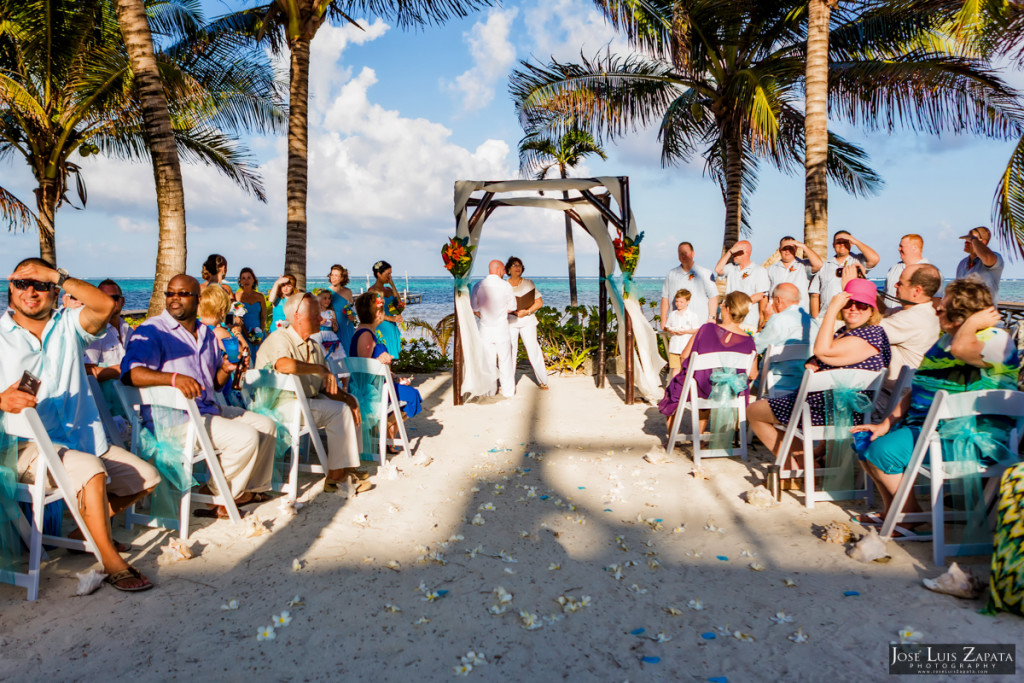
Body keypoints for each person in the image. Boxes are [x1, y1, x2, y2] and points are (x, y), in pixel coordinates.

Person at [1, 257, 160, 591]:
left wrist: (57, 275)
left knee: (146, 477)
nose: (32, 291)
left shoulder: (68, 324)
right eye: (22, 283)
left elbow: (104, 304)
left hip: (79, 440)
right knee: (90, 468)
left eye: (41, 285)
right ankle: (109, 559)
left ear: (54, 291)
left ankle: (85, 526)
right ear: (10, 287)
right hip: (24, 446)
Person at [853, 279, 1019, 524]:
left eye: (943, 304)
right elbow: (919, 389)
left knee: (880, 452)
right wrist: (886, 423)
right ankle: (900, 512)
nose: (936, 307)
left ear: (961, 312)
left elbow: (963, 350)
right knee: (864, 440)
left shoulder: (995, 340)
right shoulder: (944, 342)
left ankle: (907, 516)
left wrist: (972, 321)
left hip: (970, 439)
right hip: (929, 431)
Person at [122, 274, 276, 518]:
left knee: (266, 426)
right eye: (170, 293)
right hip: (173, 421)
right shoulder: (152, 330)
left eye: (182, 294)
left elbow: (214, 384)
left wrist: (225, 369)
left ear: (198, 299)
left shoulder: (206, 333)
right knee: (245, 437)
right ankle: (219, 498)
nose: (175, 298)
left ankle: (246, 490)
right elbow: (131, 373)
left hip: (206, 408)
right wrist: (173, 379)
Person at [748, 279, 891, 467]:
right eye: (849, 303)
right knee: (769, 408)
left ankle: (801, 465)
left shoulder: (872, 334)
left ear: (872, 310)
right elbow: (826, 356)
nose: (854, 308)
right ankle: (807, 459)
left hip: (831, 410)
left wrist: (832, 309)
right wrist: (815, 361)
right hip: (828, 405)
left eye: (862, 305)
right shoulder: (847, 331)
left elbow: (823, 351)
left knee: (753, 412)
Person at [255, 293, 369, 494]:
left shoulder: (314, 345)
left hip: (307, 401)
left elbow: (325, 387)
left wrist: (347, 398)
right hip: (279, 405)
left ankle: (348, 466)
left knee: (350, 404)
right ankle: (335, 478)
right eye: (317, 314)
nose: (321, 319)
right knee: (338, 412)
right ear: (298, 317)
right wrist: (319, 369)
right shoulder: (280, 338)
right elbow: (283, 364)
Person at [658, 292, 758, 437]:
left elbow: (685, 356)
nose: (720, 308)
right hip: (730, 391)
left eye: (722, 305)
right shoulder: (749, 340)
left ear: (728, 309)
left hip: (702, 388)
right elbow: (753, 374)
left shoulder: (706, 329)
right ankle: (699, 435)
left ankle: (673, 437)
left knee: (678, 387)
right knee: (706, 386)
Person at [350, 292, 423, 449]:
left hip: (380, 384)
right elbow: (362, 371)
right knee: (412, 395)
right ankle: (386, 429)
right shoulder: (365, 335)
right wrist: (379, 362)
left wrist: (393, 376)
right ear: (378, 313)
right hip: (370, 390)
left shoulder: (366, 331)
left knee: (409, 392)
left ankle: (389, 431)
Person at [880, 264, 942, 388]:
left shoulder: (912, 319)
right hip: (901, 389)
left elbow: (867, 331)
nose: (895, 285)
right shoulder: (921, 312)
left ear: (917, 290)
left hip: (896, 395)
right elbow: (883, 313)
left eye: (900, 283)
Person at [754, 283, 817, 395]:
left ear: (778, 300)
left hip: (775, 385)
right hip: (806, 387)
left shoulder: (778, 320)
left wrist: (765, 320)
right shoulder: (814, 322)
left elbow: (756, 347)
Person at [471, 260, 516, 398]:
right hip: (501, 328)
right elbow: (513, 307)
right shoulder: (505, 286)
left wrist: (484, 316)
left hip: (485, 329)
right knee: (505, 360)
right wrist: (501, 313)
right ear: (498, 270)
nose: (504, 272)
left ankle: (489, 391)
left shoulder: (478, 285)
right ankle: (508, 391)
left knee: (488, 360)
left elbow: (474, 307)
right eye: (503, 270)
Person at [808, 231, 880, 318]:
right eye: (838, 242)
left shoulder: (858, 261)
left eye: (845, 241)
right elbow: (815, 294)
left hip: (852, 315)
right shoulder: (824, 266)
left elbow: (875, 259)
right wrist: (816, 318)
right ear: (833, 244)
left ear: (851, 243)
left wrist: (855, 241)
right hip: (826, 316)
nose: (842, 244)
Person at [505, 256, 548, 390]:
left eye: (520, 266)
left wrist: (527, 311)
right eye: (514, 265)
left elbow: (539, 302)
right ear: (508, 269)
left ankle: (543, 380)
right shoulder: (504, 285)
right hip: (510, 321)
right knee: (510, 352)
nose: (518, 268)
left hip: (527, 321)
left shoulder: (528, 283)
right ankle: (508, 383)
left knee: (533, 350)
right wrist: (512, 311)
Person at [714, 240, 770, 332]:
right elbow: (718, 269)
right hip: (728, 318)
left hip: (747, 319)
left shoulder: (759, 270)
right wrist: (729, 252)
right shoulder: (731, 267)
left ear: (745, 252)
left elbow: (760, 295)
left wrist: (738, 306)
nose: (733, 254)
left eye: (736, 251)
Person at [84, 279, 131, 384]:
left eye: (113, 298)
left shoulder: (128, 330)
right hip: (105, 398)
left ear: (122, 301)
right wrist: (122, 370)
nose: (108, 302)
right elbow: (86, 372)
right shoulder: (94, 332)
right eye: (103, 298)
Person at [660, 242, 718, 327]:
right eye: (681, 253)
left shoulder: (705, 273)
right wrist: (663, 319)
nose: (683, 256)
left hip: (699, 325)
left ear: (692, 254)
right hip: (677, 326)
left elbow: (713, 297)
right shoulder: (671, 274)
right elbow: (665, 298)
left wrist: (712, 318)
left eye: (686, 253)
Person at [766, 236, 823, 312]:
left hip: (799, 314)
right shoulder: (771, 269)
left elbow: (819, 264)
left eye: (790, 248)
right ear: (780, 250)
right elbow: (765, 294)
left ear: (796, 249)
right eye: (784, 248)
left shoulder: (804, 266)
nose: (787, 251)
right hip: (776, 314)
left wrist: (804, 246)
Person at [956, 226, 1005, 302]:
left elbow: (987, 257)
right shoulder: (962, 263)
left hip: (984, 312)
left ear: (983, 242)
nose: (966, 242)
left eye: (970, 240)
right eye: (967, 239)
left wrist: (974, 239)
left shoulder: (995, 258)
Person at [367, 261, 404, 359]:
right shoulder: (372, 291)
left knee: (391, 356)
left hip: (391, 326)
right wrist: (392, 319)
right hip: (381, 325)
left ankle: (389, 374)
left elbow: (399, 304)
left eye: (391, 274)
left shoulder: (388, 289)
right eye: (387, 274)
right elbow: (374, 312)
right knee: (382, 354)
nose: (390, 277)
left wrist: (392, 285)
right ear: (379, 274)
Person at [663, 289, 702, 380]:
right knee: (675, 368)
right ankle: (675, 387)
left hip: (686, 346)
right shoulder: (673, 314)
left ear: (688, 302)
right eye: (677, 301)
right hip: (674, 347)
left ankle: (684, 387)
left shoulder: (692, 315)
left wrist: (686, 331)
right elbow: (668, 326)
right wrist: (671, 330)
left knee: (686, 368)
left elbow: (696, 330)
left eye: (681, 302)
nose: (678, 304)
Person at [884, 234, 929, 302]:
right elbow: (885, 296)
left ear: (915, 248)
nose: (899, 249)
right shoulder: (894, 268)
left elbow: (935, 300)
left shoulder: (929, 271)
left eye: (901, 246)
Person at [235, 267, 266, 350]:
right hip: (243, 332)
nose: (246, 281)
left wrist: (260, 335)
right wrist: (247, 335)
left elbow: (263, 318)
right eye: (243, 278)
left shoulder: (260, 297)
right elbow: (238, 318)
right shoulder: (237, 296)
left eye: (249, 278)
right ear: (240, 281)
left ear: (253, 280)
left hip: (259, 332)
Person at [327, 264, 356, 352]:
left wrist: (353, 316)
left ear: (342, 278)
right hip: (334, 328)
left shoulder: (348, 292)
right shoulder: (326, 292)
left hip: (347, 328)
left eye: (336, 275)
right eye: (332, 275)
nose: (333, 278)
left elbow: (352, 309)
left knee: (350, 355)